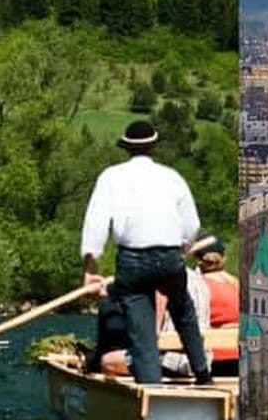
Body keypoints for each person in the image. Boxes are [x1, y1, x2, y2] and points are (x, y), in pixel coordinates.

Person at [81, 120, 211, 384]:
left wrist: (90, 270)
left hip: (132, 260)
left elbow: (95, 225)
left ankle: (152, 390)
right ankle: (203, 374)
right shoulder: (172, 177)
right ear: (153, 147)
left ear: (127, 147)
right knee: (183, 309)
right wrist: (183, 247)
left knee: (142, 334)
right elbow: (192, 224)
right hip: (170, 257)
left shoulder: (111, 177)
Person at [193, 238, 239, 327]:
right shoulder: (237, 284)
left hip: (213, 336)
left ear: (198, 260)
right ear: (224, 257)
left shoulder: (196, 287)